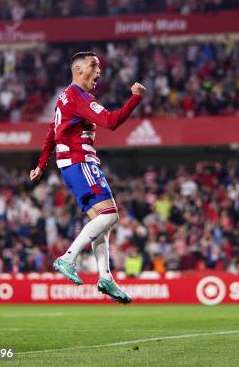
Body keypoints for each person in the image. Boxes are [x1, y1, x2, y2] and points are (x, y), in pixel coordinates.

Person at [30, 51, 145, 304]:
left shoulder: (65, 98)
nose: (98, 71)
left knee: (101, 225)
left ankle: (105, 277)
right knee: (110, 216)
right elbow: (111, 121)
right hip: (80, 161)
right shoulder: (77, 97)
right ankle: (68, 258)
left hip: (72, 164)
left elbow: (52, 132)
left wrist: (41, 165)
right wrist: (136, 98)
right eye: (94, 66)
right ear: (78, 70)